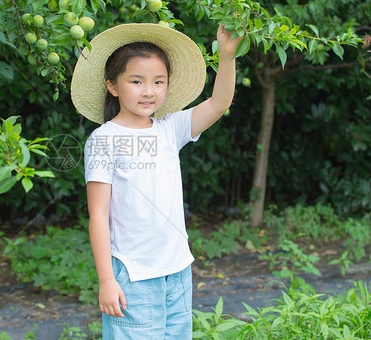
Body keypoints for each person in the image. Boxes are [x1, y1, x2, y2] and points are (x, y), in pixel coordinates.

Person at [70, 23, 242, 339]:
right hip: (132, 275)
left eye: (158, 81)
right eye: (137, 81)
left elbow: (219, 104)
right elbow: (98, 215)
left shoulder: (169, 128)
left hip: (177, 270)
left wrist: (227, 56)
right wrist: (107, 280)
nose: (149, 91)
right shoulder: (104, 139)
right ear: (113, 85)